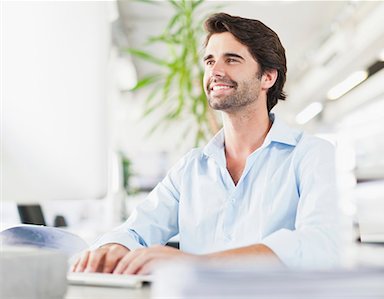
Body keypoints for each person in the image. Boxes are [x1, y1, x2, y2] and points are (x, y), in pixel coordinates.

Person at [72, 13, 339, 275]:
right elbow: (135, 229)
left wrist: (198, 263)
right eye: (210, 61)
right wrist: (114, 247)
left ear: (268, 77)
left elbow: (320, 246)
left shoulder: (310, 155)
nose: (216, 71)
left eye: (232, 60)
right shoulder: (191, 168)